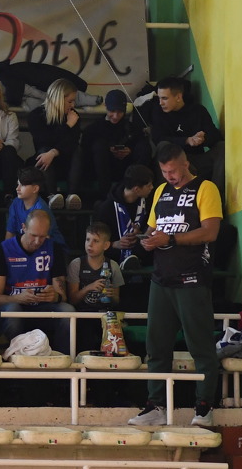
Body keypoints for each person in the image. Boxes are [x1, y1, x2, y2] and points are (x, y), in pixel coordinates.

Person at [128, 142, 223, 429]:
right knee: (156, 346)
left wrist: (169, 239)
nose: (169, 176)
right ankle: (155, 405)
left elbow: (211, 232)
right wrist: (144, 238)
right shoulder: (160, 191)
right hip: (161, 279)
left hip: (192, 278)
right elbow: (154, 229)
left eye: (173, 171)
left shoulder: (205, 188)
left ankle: (204, 407)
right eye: (164, 172)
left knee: (200, 346)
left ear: (185, 164)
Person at [0, 209, 72, 355]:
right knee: (13, 311)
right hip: (15, 306)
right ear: (24, 227)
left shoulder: (54, 248)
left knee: (68, 311)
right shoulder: (5, 249)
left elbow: (62, 296)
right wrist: (17, 298)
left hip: (43, 308)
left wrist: (55, 296)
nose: (37, 241)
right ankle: (10, 360)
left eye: (42, 236)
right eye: (33, 235)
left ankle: (63, 360)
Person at [66, 222, 126, 351]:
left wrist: (112, 296)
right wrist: (89, 287)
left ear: (106, 245)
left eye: (96, 241)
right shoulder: (76, 264)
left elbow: (117, 301)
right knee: (86, 332)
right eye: (88, 239)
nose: (90, 244)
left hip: (106, 316)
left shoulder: (113, 266)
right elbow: (72, 300)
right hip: (83, 315)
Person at [79, 88, 148, 200]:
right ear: (106, 107)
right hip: (100, 171)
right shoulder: (93, 129)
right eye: (112, 111)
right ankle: (105, 197)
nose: (115, 116)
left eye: (120, 112)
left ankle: (137, 189)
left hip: (126, 170)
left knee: (144, 147)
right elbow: (85, 152)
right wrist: (107, 150)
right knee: (99, 146)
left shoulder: (132, 129)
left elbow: (143, 147)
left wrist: (129, 151)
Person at [25, 78, 85, 207]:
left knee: (77, 150)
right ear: (58, 99)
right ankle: (51, 196)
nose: (73, 105)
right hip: (45, 162)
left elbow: (72, 142)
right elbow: (45, 140)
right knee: (44, 152)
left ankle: (72, 196)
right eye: (70, 101)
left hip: (67, 161)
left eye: (74, 101)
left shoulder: (73, 116)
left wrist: (54, 152)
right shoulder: (36, 116)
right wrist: (67, 125)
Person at [92, 163, 157, 266]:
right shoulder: (107, 207)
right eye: (149, 185)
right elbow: (95, 237)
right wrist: (114, 244)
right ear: (136, 189)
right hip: (115, 251)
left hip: (139, 247)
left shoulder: (149, 201)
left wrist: (140, 233)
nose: (152, 187)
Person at [148, 76, 221, 166]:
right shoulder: (158, 112)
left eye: (164, 98)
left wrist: (202, 138)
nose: (160, 103)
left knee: (221, 146)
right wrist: (186, 140)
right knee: (163, 145)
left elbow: (216, 136)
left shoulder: (198, 111)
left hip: (196, 159)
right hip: (173, 163)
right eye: (159, 98)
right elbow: (158, 139)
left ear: (178, 97)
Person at [5, 167, 67, 247]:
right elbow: (10, 232)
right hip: (29, 247)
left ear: (35, 189)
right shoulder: (15, 203)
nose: (17, 188)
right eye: (18, 184)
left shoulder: (41, 209)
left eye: (22, 185)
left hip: (52, 248)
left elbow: (42, 241)